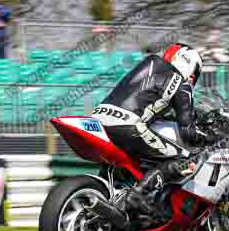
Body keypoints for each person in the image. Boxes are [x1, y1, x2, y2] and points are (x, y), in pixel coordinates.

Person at [91, 43, 218, 221]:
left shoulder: (147, 66)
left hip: (100, 118)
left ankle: (115, 198)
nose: (193, 77)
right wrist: (210, 139)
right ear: (189, 65)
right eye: (195, 72)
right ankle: (138, 195)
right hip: (128, 126)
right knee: (187, 161)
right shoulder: (181, 84)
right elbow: (188, 133)